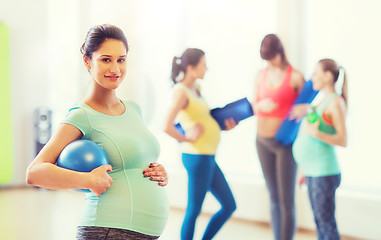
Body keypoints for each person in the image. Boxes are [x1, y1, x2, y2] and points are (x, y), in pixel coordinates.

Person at [26, 24, 169, 240]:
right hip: (108, 230)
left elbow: (134, 160)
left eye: (121, 59)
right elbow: (34, 172)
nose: (115, 69)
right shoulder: (81, 115)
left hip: (146, 231)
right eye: (106, 59)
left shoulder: (134, 109)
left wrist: (157, 170)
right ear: (87, 60)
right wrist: (88, 180)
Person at [163, 48, 237, 240]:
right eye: (204, 65)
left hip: (207, 156)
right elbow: (166, 125)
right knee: (194, 210)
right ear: (191, 67)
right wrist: (186, 137)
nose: (207, 68)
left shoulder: (197, 89)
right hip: (197, 156)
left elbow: (203, 119)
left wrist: (221, 126)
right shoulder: (181, 92)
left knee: (229, 205)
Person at [251, 34, 305, 240]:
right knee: (273, 196)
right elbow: (253, 105)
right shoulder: (260, 75)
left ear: (279, 52)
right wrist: (259, 106)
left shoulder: (296, 77)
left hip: (285, 144)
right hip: (262, 142)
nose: (268, 62)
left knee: (286, 199)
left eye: (271, 57)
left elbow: (305, 108)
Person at [292, 59, 348, 240]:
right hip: (313, 171)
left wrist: (316, 133)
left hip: (324, 172)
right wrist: (304, 169)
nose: (312, 77)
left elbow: (342, 139)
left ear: (328, 76)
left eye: (316, 73)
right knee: (320, 222)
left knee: (326, 223)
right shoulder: (323, 100)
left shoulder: (335, 102)